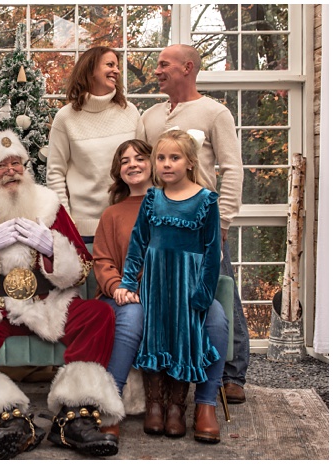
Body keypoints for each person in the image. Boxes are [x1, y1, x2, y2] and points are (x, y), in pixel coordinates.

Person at [0, 130, 124, 459]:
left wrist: (52, 250)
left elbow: (83, 266)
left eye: (17, 162)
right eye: (1, 165)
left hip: (45, 307)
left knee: (99, 315)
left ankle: (76, 418)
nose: (12, 170)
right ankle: (5, 418)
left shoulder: (47, 205)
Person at [93, 138, 228, 443]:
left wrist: (199, 289)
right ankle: (111, 406)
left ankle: (205, 405)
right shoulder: (112, 214)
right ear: (119, 171)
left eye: (139, 157)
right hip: (132, 296)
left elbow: (208, 251)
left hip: (183, 288)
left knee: (217, 318)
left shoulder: (185, 200)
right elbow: (102, 261)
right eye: (125, 160)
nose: (133, 164)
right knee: (134, 316)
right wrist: (119, 287)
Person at [137, 43, 247, 404]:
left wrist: (224, 220)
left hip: (203, 224)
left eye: (163, 64)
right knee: (169, 300)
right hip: (163, 226)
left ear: (187, 67)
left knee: (219, 292)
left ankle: (232, 374)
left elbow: (232, 169)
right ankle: (170, 371)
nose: (156, 70)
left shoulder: (215, 113)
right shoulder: (150, 117)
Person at [46, 46, 144, 239]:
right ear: (90, 70)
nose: (116, 70)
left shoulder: (129, 112)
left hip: (131, 226)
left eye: (117, 66)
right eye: (109, 64)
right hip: (84, 231)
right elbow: (55, 172)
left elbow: (145, 166)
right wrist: (67, 222)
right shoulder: (65, 118)